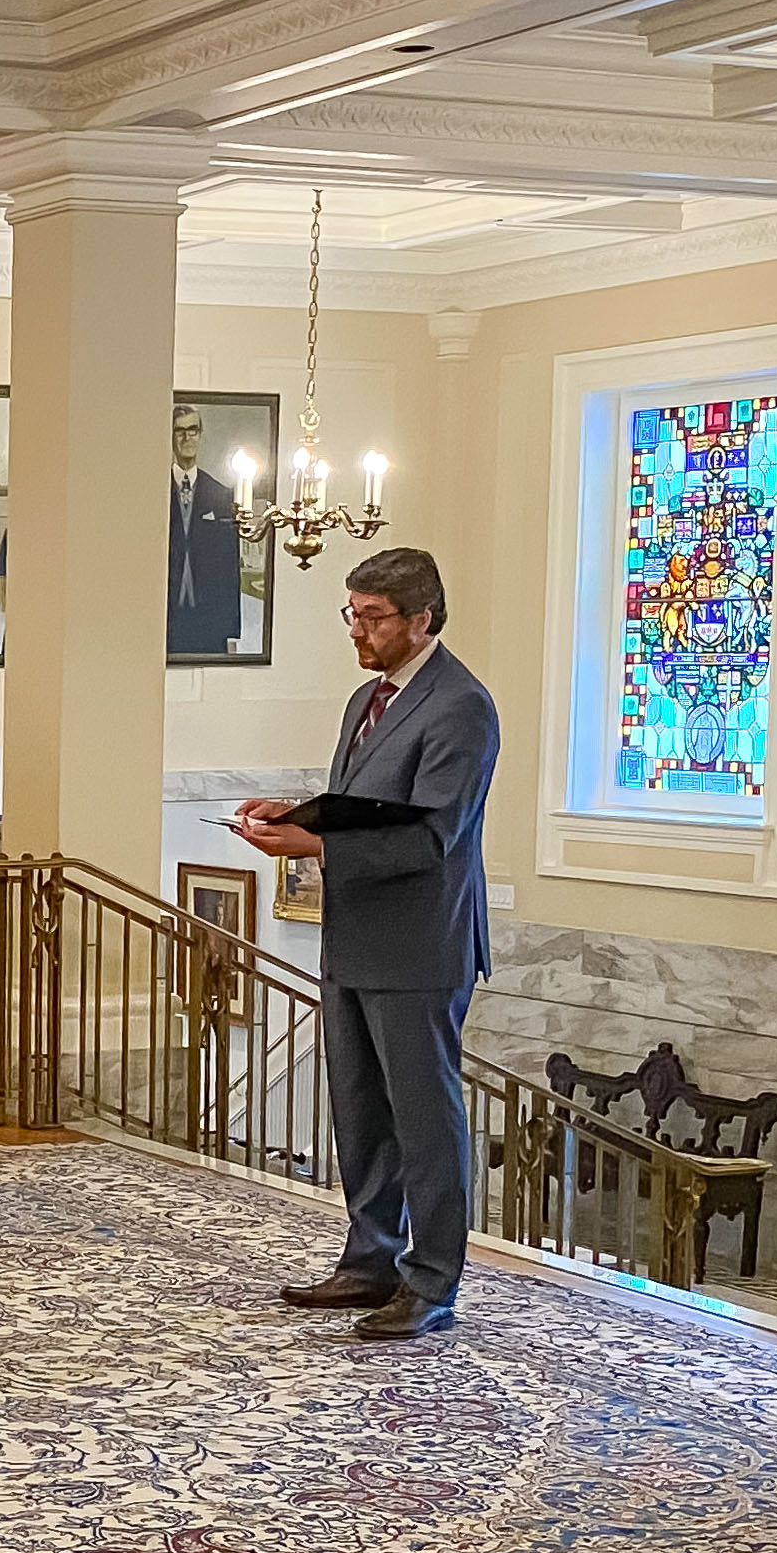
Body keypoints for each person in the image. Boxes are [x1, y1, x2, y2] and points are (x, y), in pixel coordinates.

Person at [235, 544, 502, 1338]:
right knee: (359, 1113)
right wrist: (299, 815)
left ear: (422, 618)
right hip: (352, 937)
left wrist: (314, 846)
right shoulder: (366, 698)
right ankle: (369, 1260)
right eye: (350, 614)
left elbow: (430, 837)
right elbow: (368, 808)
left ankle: (430, 1282)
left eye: (373, 617)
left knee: (422, 1122)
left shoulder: (461, 706)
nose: (356, 630)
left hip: (419, 945)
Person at [167, 401, 244, 659]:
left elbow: (230, 567)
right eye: (179, 431)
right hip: (166, 617)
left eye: (193, 430)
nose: (187, 438)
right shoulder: (153, 492)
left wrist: (231, 629)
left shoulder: (220, 495)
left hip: (209, 621)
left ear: (200, 434)